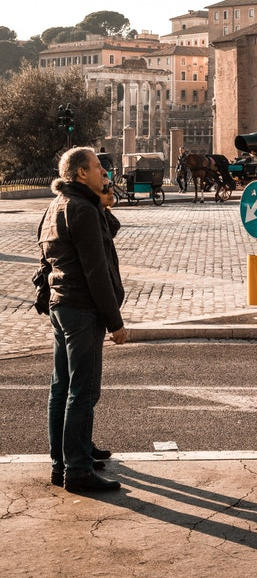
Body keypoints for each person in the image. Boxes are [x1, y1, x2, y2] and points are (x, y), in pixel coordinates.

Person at [39, 147, 128, 492]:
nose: (104, 172)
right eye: (97, 167)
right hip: (83, 309)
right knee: (83, 391)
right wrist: (115, 322)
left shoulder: (58, 205)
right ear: (80, 173)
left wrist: (103, 202)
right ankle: (77, 471)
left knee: (61, 388)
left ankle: (62, 462)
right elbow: (96, 272)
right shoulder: (82, 209)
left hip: (62, 306)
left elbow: (108, 232)